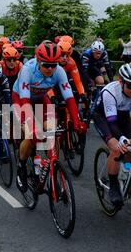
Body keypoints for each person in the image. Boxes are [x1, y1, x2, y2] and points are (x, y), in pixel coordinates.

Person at [12, 41, 87, 192]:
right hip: (21, 100)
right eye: (46, 65)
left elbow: (69, 98)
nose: (50, 69)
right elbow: (25, 101)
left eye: (54, 65)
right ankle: (21, 167)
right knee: (30, 134)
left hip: (41, 98)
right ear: (38, 61)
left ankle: (52, 165)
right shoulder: (28, 70)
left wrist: (77, 121)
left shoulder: (59, 71)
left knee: (53, 130)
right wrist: (32, 127)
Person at [93, 63, 131, 206]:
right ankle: (113, 186)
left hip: (123, 114)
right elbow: (112, 123)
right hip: (103, 117)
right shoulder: (111, 91)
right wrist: (121, 139)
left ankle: (127, 170)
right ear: (121, 82)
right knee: (117, 147)